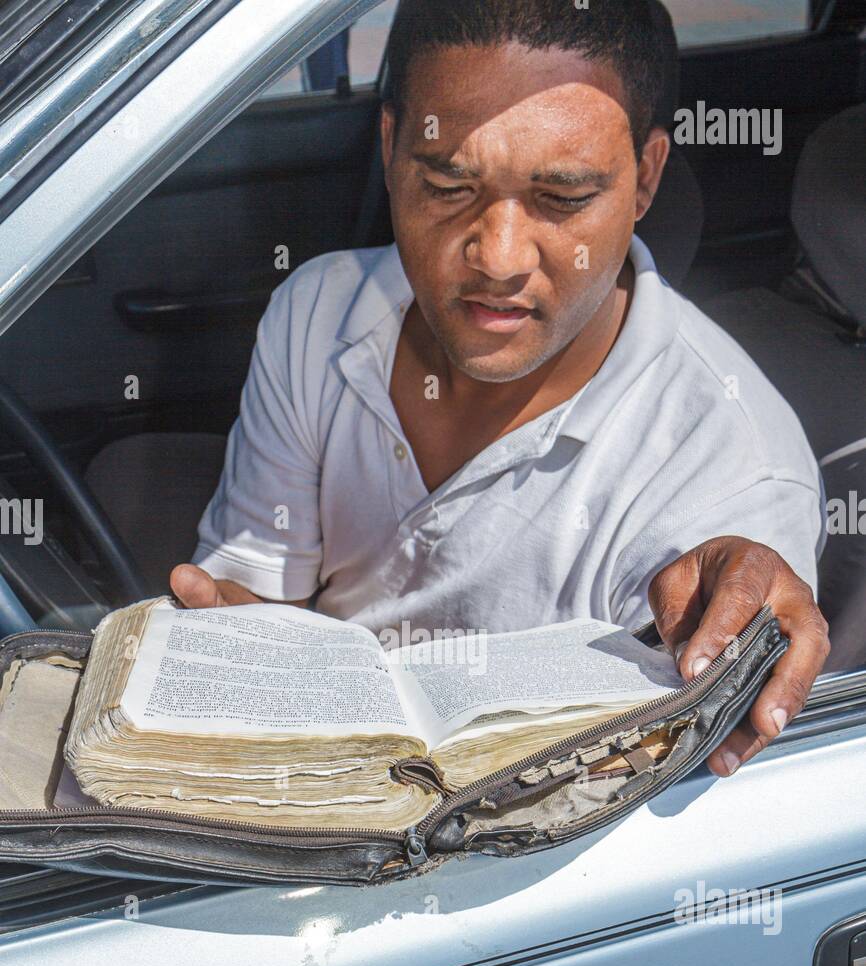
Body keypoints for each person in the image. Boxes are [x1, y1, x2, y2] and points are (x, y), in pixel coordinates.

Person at [171, 0, 829, 777]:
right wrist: (240, 642)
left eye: (562, 199)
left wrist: (727, 643)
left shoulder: (734, 470)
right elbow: (256, 599)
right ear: (390, 148)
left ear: (646, 178)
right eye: (449, 184)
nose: (499, 258)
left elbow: (647, 756)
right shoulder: (318, 312)